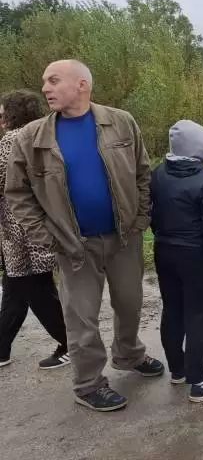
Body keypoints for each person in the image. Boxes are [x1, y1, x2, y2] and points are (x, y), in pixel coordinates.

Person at [4, 59, 164, 412]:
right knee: (81, 318)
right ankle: (88, 384)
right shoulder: (32, 136)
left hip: (124, 238)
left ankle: (129, 354)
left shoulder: (121, 122)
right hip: (73, 245)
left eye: (53, 80)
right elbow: (17, 193)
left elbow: (142, 172)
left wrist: (140, 217)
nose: (45, 88)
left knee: (130, 304)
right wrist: (45, 235)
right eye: (44, 81)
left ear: (81, 84)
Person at [150, 120, 203, 402]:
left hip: (165, 250)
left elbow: (152, 214)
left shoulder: (158, 174)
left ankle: (178, 369)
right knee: (199, 315)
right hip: (198, 256)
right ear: (201, 147)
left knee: (172, 309)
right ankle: (200, 381)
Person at [0, 90, 69, 370]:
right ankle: (1, 348)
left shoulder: (10, 141)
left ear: (11, 114)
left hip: (22, 233)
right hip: (38, 226)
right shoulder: (44, 136)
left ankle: (71, 343)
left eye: (3, 112)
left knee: (37, 293)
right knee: (15, 289)